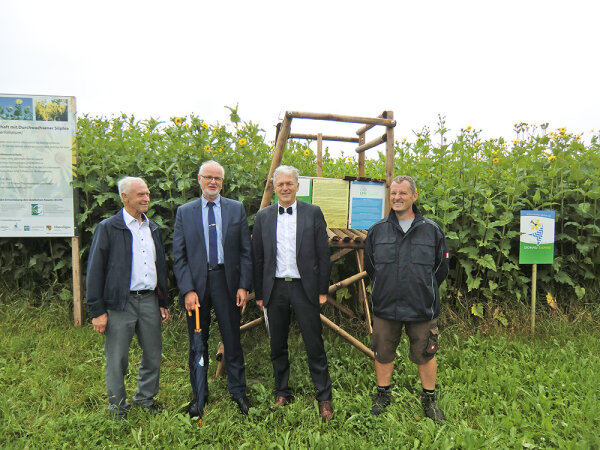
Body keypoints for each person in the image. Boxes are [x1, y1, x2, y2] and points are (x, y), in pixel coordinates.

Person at [252, 165, 334, 422]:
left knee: (314, 343)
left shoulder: (313, 213)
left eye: (289, 184)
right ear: (274, 187)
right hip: (274, 288)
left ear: (298, 186)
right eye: (280, 184)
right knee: (277, 344)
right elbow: (258, 258)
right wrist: (259, 293)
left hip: (304, 288)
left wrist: (322, 289)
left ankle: (323, 396)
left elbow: (323, 253)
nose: (285, 188)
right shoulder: (263, 216)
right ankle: (282, 391)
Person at [365, 175, 449, 422]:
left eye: (402, 193)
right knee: (382, 352)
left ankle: (429, 399)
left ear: (414, 196)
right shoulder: (377, 230)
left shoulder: (432, 230)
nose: (397, 198)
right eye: (393, 193)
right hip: (385, 306)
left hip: (421, 306)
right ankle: (383, 395)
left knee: (426, 353)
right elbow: (371, 267)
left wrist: (422, 287)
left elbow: (440, 269)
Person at [173, 160, 252, 418]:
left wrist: (243, 285)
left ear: (222, 181)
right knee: (198, 342)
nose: (213, 182)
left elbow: (244, 252)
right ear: (199, 179)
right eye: (208, 177)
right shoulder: (185, 212)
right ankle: (199, 395)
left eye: (217, 178)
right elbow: (179, 256)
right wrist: (187, 290)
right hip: (197, 286)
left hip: (227, 283)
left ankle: (238, 393)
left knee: (232, 339)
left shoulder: (235, 209)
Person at [86, 176, 170, 420]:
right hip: (119, 303)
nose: (146, 198)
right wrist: (97, 311)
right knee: (117, 359)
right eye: (140, 194)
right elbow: (95, 271)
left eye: (147, 194)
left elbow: (160, 267)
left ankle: (145, 399)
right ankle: (118, 408)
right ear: (124, 197)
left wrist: (162, 301)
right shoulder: (109, 228)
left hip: (150, 301)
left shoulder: (152, 227)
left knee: (153, 355)